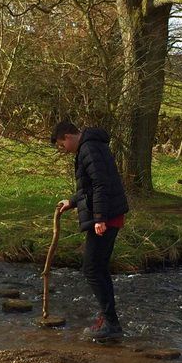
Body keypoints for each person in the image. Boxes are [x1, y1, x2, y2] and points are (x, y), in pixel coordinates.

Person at [52, 120, 130, 342]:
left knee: (92, 269)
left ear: (67, 136)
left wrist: (99, 218)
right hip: (109, 214)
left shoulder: (88, 148)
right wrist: (72, 201)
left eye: (61, 145)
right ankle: (108, 319)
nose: (63, 150)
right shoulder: (92, 145)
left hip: (107, 217)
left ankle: (111, 324)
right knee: (99, 268)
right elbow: (89, 187)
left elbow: (101, 185)